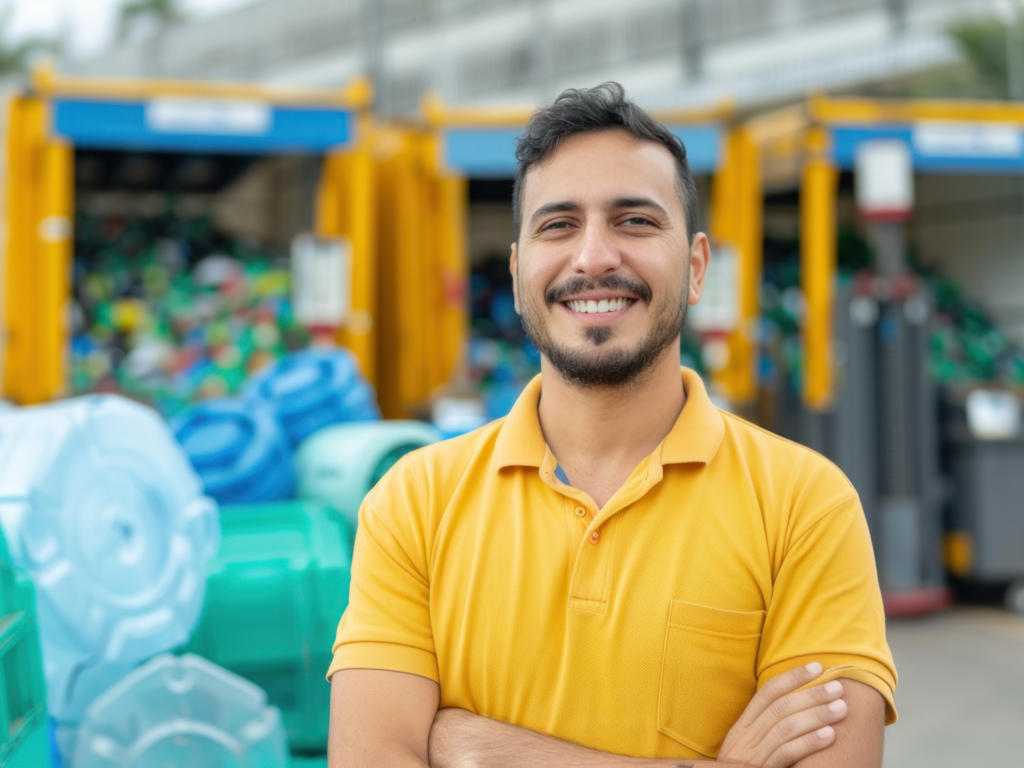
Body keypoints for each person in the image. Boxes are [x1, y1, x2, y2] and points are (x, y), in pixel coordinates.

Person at [327, 83, 897, 768]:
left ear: (694, 268)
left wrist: (487, 751)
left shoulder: (806, 505)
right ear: (516, 274)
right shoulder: (412, 503)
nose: (594, 257)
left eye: (634, 221)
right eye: (558, 224)